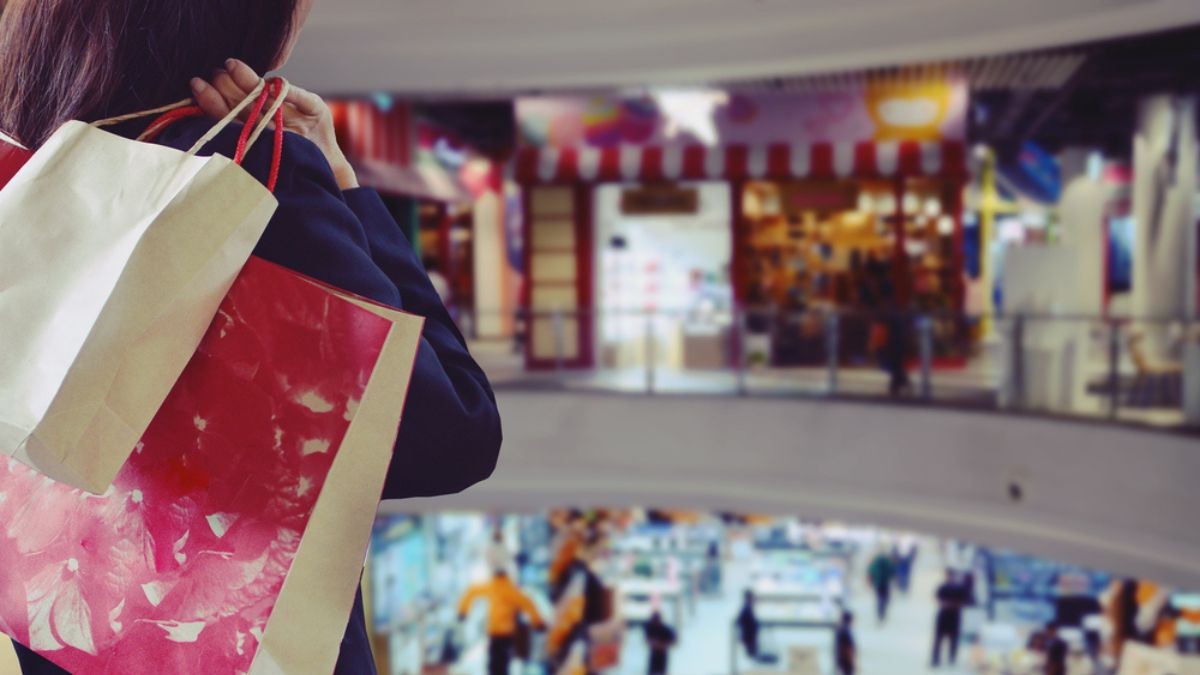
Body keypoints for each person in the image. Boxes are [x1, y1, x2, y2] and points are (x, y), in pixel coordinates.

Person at [0, 3, 503, 674]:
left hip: (64, 631)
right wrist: (344, 185)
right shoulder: (251, 177)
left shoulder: (29, 162)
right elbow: (454, 435)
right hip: (221, 645)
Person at [459, 570, 546, 675]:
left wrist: (463, 611)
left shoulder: (491, 586)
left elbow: (471, 592)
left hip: (494, 631)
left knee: (493, 663)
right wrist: (538, 623)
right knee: (503, 663)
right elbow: (528, 604)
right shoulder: (512, 589)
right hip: (507, 633)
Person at [931, 570, 968, 667]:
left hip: (954, 615)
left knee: (953, 638)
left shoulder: (959, 588)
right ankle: (936, 658)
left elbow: (964, 601)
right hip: (944, 615)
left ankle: (952, 656)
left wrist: (952, 604)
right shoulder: (943, 587)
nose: (950, 578)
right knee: (938, 638)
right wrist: (945, 604)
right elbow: (937, 598)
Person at [867, 548, 896, 624]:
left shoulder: (875, 562)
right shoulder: (887, 562)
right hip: (885, 583)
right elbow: (892, 571)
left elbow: (870, 571)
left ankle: (880, 613)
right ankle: (882, 613)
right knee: (885, 598)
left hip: (877, 583)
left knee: (879, 598)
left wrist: (870, 581)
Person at [643, 610, 677, 675]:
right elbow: (647, 638)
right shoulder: (650, 628)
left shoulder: (665, 629)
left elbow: (673, 640)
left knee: (661, 671)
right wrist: (652, 642)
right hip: (654, 654)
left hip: (662, 655)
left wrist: (662, 644)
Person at [736, 590, 761, 660]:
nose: (754, 599)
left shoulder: (748, 607)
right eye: (752, 598)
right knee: (751, 657)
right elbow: (740, 621)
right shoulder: (746, 608)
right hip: (749, 637)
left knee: (751, 655)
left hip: (750, 636)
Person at [834, 610, 857, 675]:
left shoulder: (840, 629)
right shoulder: (846, 631)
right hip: (846, 659)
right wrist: (852, 660)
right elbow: (848, 647)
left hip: (841, 658)